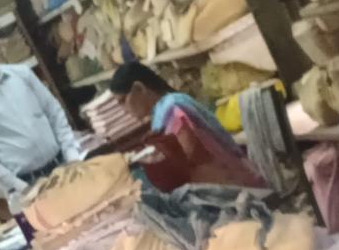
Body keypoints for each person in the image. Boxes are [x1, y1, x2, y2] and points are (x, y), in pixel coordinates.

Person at [0, 20, 82, 193]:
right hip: (29, 184)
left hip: (64, 167)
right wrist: (22, 188)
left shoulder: (22, 73)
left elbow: (53, 111)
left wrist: (72, 155)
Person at [109, 62, 264, 191]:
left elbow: (191, 158)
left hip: (233, 186)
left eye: (123, 101)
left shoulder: (174, 108)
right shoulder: (163, 111)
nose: (124, 110)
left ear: (139, 88)